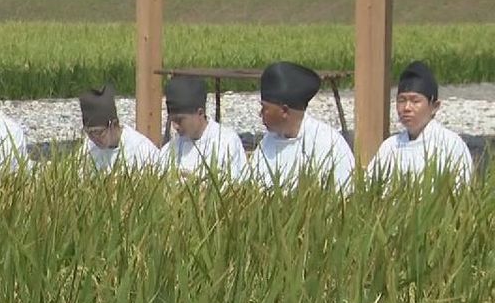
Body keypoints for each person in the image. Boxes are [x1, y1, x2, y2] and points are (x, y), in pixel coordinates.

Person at [248, 61, 355, 191]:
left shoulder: (327, 143)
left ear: (284, 111)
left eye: (264, 108)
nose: (260, 114)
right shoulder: (267, 142)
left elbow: (344, 193)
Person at [367, 61, 473, 184]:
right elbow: (369, 187)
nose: (406, 107)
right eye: (402, 100)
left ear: (434, 106)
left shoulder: (450, 144)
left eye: (415, 101)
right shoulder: (390, 146)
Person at [159, 75, 246, 181]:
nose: (175, 126)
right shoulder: (169, 150)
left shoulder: (227, 142)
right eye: (172, 120)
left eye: (179, 120)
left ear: (200, 113)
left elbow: (237, 187)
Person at [79, 84, 158, 172]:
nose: (94, 138)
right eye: (89, 133)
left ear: (113, 124)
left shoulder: (141, 149)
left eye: (99, 132)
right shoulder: (88, 148)